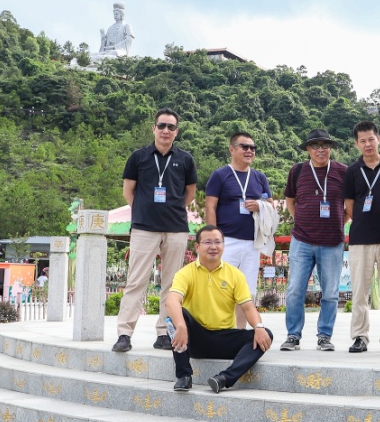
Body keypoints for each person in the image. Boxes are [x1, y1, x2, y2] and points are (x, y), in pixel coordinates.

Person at [112, 108, 197, 353]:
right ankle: (124, 334)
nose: (165, 130)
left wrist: (172, 208)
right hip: (144, 228)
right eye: (161, 126)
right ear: (154, 128)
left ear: (176, 132)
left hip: (175, 228)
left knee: (172, 284)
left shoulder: (185, 159)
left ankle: (164, 333)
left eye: (171, 127)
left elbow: (190, 193)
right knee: (136, 281)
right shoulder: (138, 157)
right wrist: (143, 210)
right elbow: (128, 191)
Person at [162, 226, 273, 393]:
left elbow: (248, 308)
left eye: (217, 242)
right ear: (197, 247)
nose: (213, 247)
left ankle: (224, 378)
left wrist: (258, 327)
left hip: (224, 339)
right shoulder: (185, 273)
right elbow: (171, 301)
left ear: (223, 245)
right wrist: (181, 326)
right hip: (194, 340)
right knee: (175, 318)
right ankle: (184, 376)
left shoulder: (235, 274)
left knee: (265, 334)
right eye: (207, 242)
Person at [282, 128, 348, 351]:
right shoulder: (298, 170)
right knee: (295, 290)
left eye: (325, 145)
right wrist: (299, 219)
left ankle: (325, 336)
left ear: (330, 148)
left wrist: (340, 221)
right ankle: (293, 335)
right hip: (302, 240)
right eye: (315, 145)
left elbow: (350, 205)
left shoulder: (343, 171)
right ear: (308, 149)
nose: (320, 149)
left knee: (330, 293)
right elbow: (290, 199)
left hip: (332, 241)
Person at [344, 121, 380, 353]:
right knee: (359, 292)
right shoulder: (352, 171)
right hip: (360, 239)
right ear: (356, 144)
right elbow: (349, 206)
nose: (367, 144)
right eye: (362, 141)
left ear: (379, 139)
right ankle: (360, 336)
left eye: (371, 139)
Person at [204, 131, 271, 307]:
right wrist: (213, 240)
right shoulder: (220, 175)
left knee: (246, 293)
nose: (250, 151)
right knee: (221, 289)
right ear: (232, 149)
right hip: (227, 241)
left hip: (252, 243)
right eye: (245, 147)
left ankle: (241, 325)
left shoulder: (260, 177)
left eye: (253, 148)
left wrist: (260, 205)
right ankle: (220, 324)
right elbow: (210, 207)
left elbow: (270, 205)